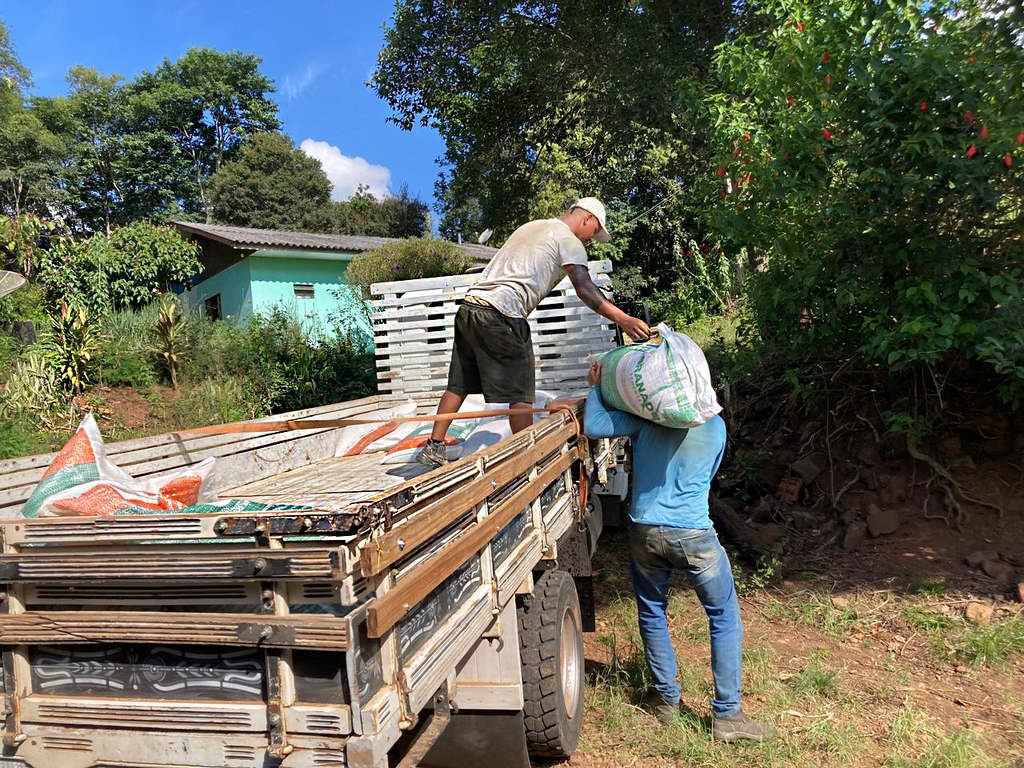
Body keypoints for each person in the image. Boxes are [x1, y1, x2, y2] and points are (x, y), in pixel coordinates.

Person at [582, 360, 777, 742]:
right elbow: (709, 477)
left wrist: (594, 385)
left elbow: (595, 426)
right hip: (694, 536)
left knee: (653, 610)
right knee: (722, 615)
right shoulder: (717, 426)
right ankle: (727, 715)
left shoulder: (649, 419)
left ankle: (666, 700)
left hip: (644, 531)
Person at [417, 197, 651, 468]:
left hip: (471, 308)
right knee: (521, 393)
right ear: (586, 218)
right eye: (594, 232)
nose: (591, 239)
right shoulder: (570, 241)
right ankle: (527, 458)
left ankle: (434, 446)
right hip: (503, 314)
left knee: (458, 384)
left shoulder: (533, 226)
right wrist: (623, 319)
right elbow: (585, 289)